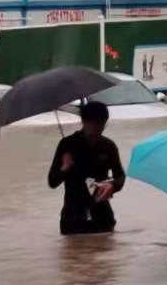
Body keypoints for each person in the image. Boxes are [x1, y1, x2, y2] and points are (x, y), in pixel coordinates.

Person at [47, 101, 126, 236]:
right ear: (83, 122)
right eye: (95, 125)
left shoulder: (108, 146)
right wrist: (65, 168)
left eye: (102, 125)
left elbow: (120, 176)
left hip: (102, 217)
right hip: (72, 219)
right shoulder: (67, 145)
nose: (98, 130)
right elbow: (52, 182)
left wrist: (112, 185)